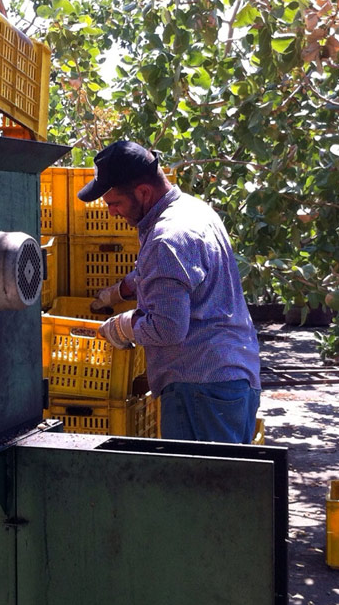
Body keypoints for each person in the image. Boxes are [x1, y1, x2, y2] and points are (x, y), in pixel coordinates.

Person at [79, 140, 262, 443]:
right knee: (226, 485)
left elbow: (167, 328)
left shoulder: (167, 239)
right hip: (231, 377)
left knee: (199, 489)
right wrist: (120, 290)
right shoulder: (193, 211)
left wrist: (123, 327)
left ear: (143, 193)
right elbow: (176, 272)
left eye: (115, 203)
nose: (111, 213)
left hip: (200, 390)